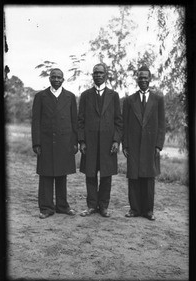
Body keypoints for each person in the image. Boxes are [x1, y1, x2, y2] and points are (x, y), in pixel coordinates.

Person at [31, 68, 78, 219]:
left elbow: (74, 121)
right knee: (45, 175)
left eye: (59, 77)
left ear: (63, 79)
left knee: (61, 174)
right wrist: (36, 143)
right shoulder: (40, 96)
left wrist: (74, 142)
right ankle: (46, 208)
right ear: (49, 78)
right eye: (54, 77)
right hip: (45, 142)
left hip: (65, 142)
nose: (56, 79)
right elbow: (36, 121)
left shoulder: (70, 97)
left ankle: (62, 206)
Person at [78, 63, 123, 217]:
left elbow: (118, 121)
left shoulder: (114, 96)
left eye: (100, 73)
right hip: (89, 144)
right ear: (92, 75)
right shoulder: (85, 95)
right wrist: (82, 141)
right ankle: (91, 206)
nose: (98, 75)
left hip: (107, 144)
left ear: (106, 75)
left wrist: (116, 141)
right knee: (90, 174)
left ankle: (103, 207)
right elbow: (80, 121)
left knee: (106, 176)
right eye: (95, 73)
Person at [122, 65, 166, 221]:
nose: (143, 80)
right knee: (134, 177)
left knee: (148, 178)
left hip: (150, 145)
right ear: (137, 79)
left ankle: (148, 210)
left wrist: (158, 145)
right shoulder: (129, 100)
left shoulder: (158, 99)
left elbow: (162, 124)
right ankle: (134, 209)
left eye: (145, 78)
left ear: (150, 79)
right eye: (140, 77)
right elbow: (125, 124)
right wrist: (125, 145)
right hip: (133, 144)